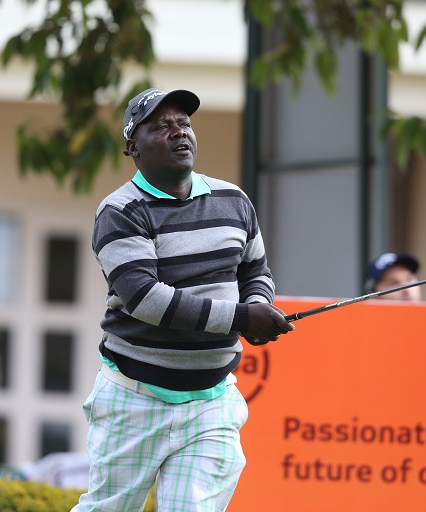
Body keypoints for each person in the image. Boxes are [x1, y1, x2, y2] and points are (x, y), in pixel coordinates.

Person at [72, 88, 295, 512]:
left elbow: (255, 271)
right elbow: (148, 300)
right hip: (135, 398)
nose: (179, 134)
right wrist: (243, 317)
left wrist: (258, 305)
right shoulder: (120, 212)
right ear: (132, 147)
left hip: (212, 399)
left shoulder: (234, 200)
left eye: (184, 124)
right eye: (161, 127)